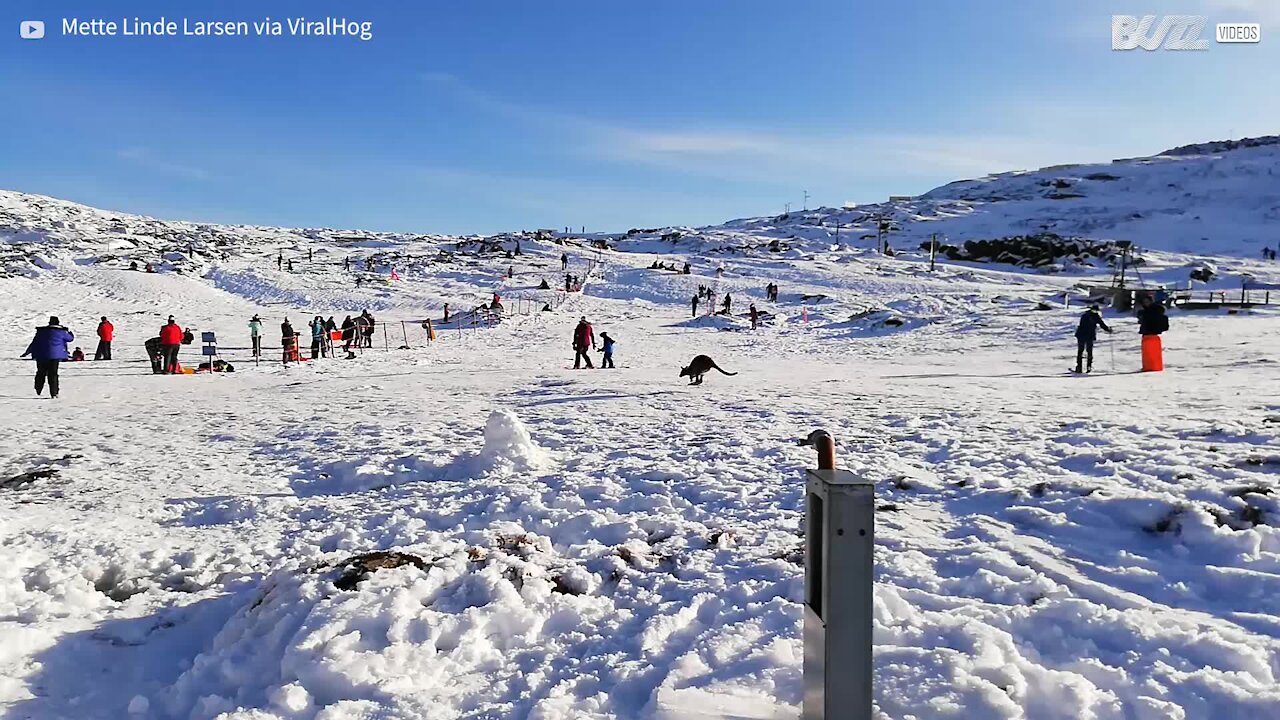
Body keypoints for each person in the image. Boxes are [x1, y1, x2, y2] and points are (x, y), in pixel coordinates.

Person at [21, 316, 74, 398]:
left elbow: (34, 343)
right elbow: (70, 339)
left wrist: (27, 352)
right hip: (54, 356)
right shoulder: (61, 332)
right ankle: (54, 392)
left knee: (40, 372)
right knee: (53, 374)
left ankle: (38, 389)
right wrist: (69, 332)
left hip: (41, 355)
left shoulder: (41, 331)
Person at [1073, 304, 1112, 374]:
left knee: (1085, 351)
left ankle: (1085, 366)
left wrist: (1107, 329)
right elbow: (1101, 324)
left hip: (1084, 335)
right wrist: (1107, 329)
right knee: (1084, 351)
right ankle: (1082, 366)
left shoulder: (1086, 315)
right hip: (1086, 335)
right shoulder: (1092, 316)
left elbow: (1101, 324)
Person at [1137, 294, 1169, 372]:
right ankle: (1148, 366)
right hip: (1146, 334)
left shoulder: (1154, 310)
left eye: (1147, 301)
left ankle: (1154, 366)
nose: (1145, 303)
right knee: (1147, 354)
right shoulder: (1145, 311)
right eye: (1144, 302)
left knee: (1153, 353)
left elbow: (1152, 321)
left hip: (1153, 334)